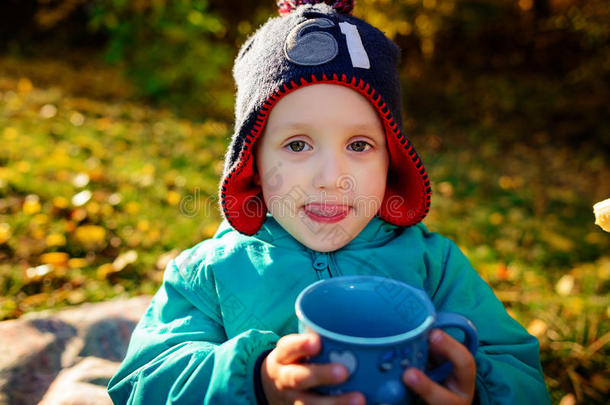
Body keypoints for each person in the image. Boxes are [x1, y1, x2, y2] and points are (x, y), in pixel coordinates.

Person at [107, 1, 550, 404]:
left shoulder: (436, 266)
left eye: (359, 145)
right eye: (297, 145)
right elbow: (143, 380)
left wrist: (473, 393)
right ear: (252, 164)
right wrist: (258, 382)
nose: (331, 179)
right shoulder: (208, 274)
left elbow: (522, 372)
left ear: (392, 161)